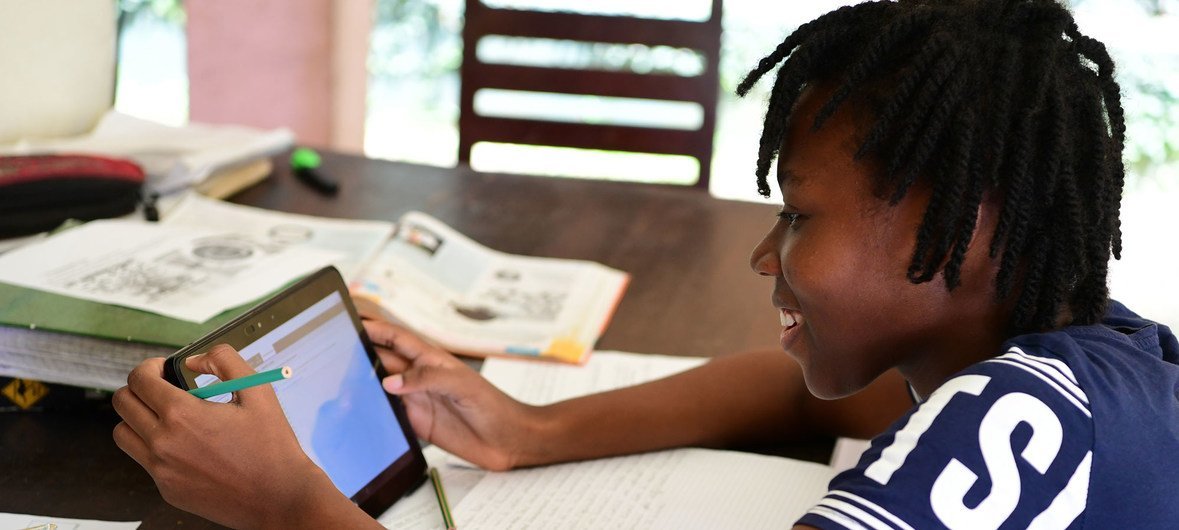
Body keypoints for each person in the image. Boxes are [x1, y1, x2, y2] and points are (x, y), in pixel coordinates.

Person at [112, 0, 1179, 528]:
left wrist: (294, 507)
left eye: (800, 216)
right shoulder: (1068, 361)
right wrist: (531, 429)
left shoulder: (1023, 421)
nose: (767, 253)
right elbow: (808, 402)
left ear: (966, 224)